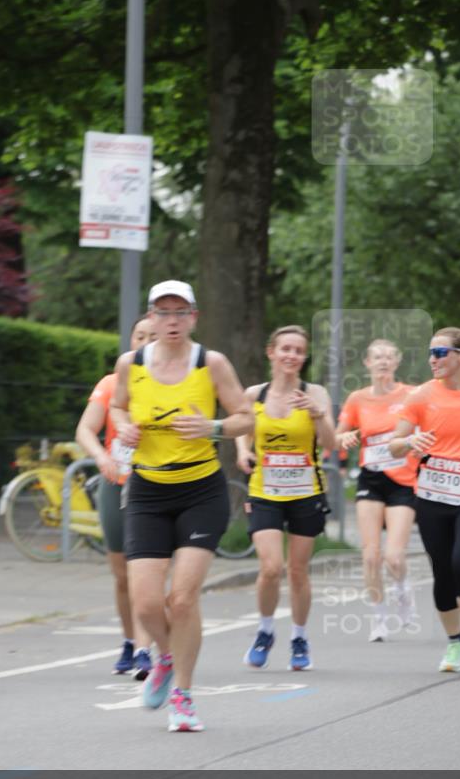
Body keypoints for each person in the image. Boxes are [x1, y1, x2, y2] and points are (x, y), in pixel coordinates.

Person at [110, 280, 253, 732]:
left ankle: (184, 696)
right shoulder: (129, 364)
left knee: (183, 598)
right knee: (147, 602)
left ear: (194, 317)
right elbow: (115, 409)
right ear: (151, 317)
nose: (171, 320)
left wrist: (211, 426)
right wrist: (124, 427)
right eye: (163, 312)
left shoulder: (211, 364)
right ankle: (166, 658)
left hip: (200, 492)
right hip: (149, 492)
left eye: (180, 312)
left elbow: (245, 417)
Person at [390, 328, 460, 674]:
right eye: (431, 352)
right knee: (442, 571)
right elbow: (394, 444)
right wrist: (411, 441)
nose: (433, 359)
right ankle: (454, 643)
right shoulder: (421, 395)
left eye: (440, 352)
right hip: (432, 494)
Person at [236, 325, 335, 672]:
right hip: (265, 491)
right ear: (271, 353)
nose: (291, 356)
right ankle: (265, 631)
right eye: (285, 349)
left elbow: (331, 444)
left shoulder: (315, 393)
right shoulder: (254, 394)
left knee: (297, 570)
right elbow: (242, 429)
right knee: (270, 567)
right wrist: (242, 451)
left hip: (306, 492)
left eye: (298, 351)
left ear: (304, 357)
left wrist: (317, 414)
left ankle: (299, 637)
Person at [75, 315, 155, 679]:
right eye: (140, 335)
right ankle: (128, 640)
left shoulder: (173, 384)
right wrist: (102, 457)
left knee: (148, 573)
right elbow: (85, 430)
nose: (145, 342)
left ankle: (144, 650)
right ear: (131, 340)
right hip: (116, 482)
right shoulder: (111, 384)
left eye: (153, 336)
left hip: (156, 486)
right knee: (122, 574)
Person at [335, 339, 418, 642]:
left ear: (396, 363)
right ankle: (379, 618)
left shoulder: (411, 394)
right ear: (368, 364)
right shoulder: (357, 399)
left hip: (403, 481)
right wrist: (344, 439)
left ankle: (402, 589)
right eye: (377, 357)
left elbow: (428, 427)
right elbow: (336, 436)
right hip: (371, 478)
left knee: (394, 557)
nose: (383, 362)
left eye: (388, 357)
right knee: (370, 556)